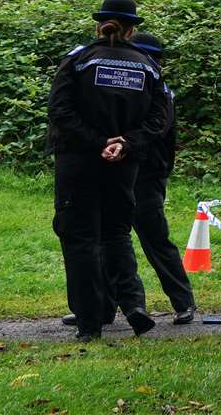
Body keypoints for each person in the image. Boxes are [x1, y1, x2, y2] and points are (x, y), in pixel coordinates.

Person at [47, 0, 168, 340]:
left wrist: (97, 142)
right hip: (124, 164)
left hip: (78, 162)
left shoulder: (78, 60)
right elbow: (160, 119)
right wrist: (125, 143)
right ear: (132, 30)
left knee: (81, 239)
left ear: (99, 25)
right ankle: (133, 305)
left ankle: (89, 325)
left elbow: (59, 110)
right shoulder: (148, 65)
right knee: (117, 234)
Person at [58, 31, 197, 328]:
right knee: (113, 238)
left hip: (145, 173)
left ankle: (182, 302)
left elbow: (155, 130)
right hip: (126, 167)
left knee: (149, 238)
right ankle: (108, 308)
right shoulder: (146, 79)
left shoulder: (155, 86)